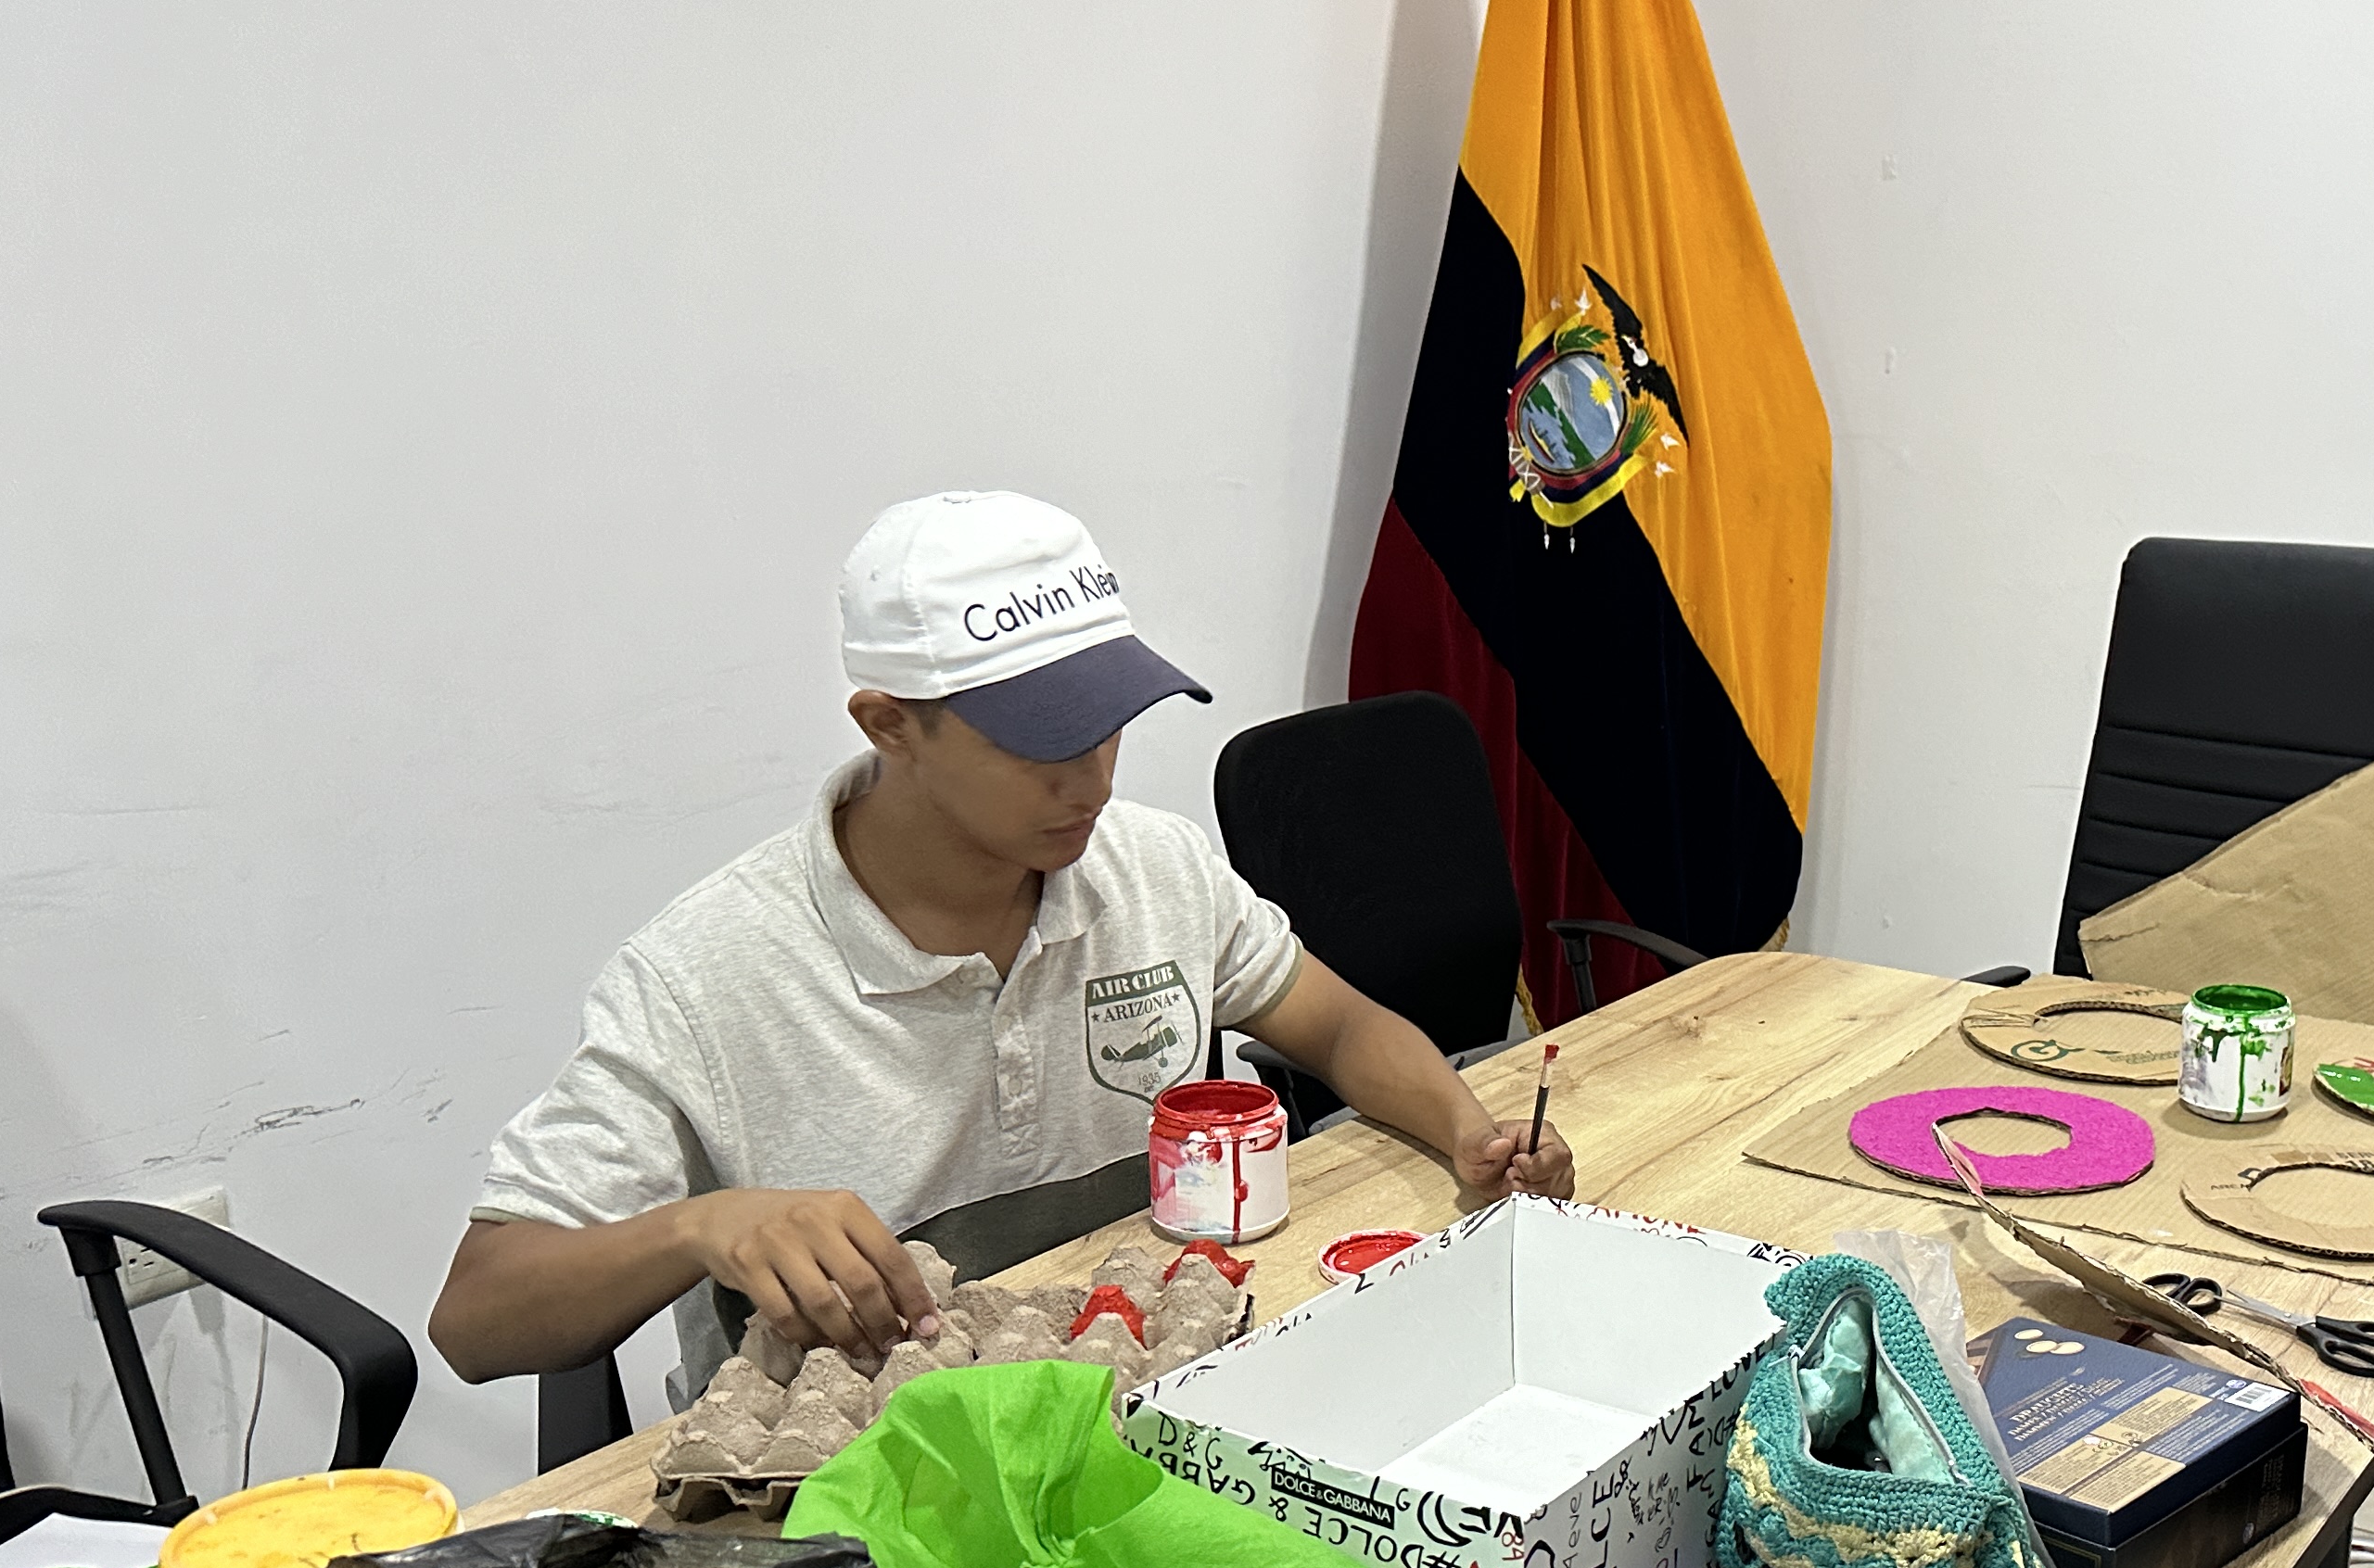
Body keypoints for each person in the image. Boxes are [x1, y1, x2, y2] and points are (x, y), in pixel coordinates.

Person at [431, 489, 1573, 1397]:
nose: (1093, 781)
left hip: (1143, 1392)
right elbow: (477, 1319)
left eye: (1109, 728)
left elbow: (1340, 1024)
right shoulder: (708, 975)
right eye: (1042, 745)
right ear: (890, 724)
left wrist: (1470, 1131)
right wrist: (699, 1227)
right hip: (863, 1467)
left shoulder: (1152, 867)